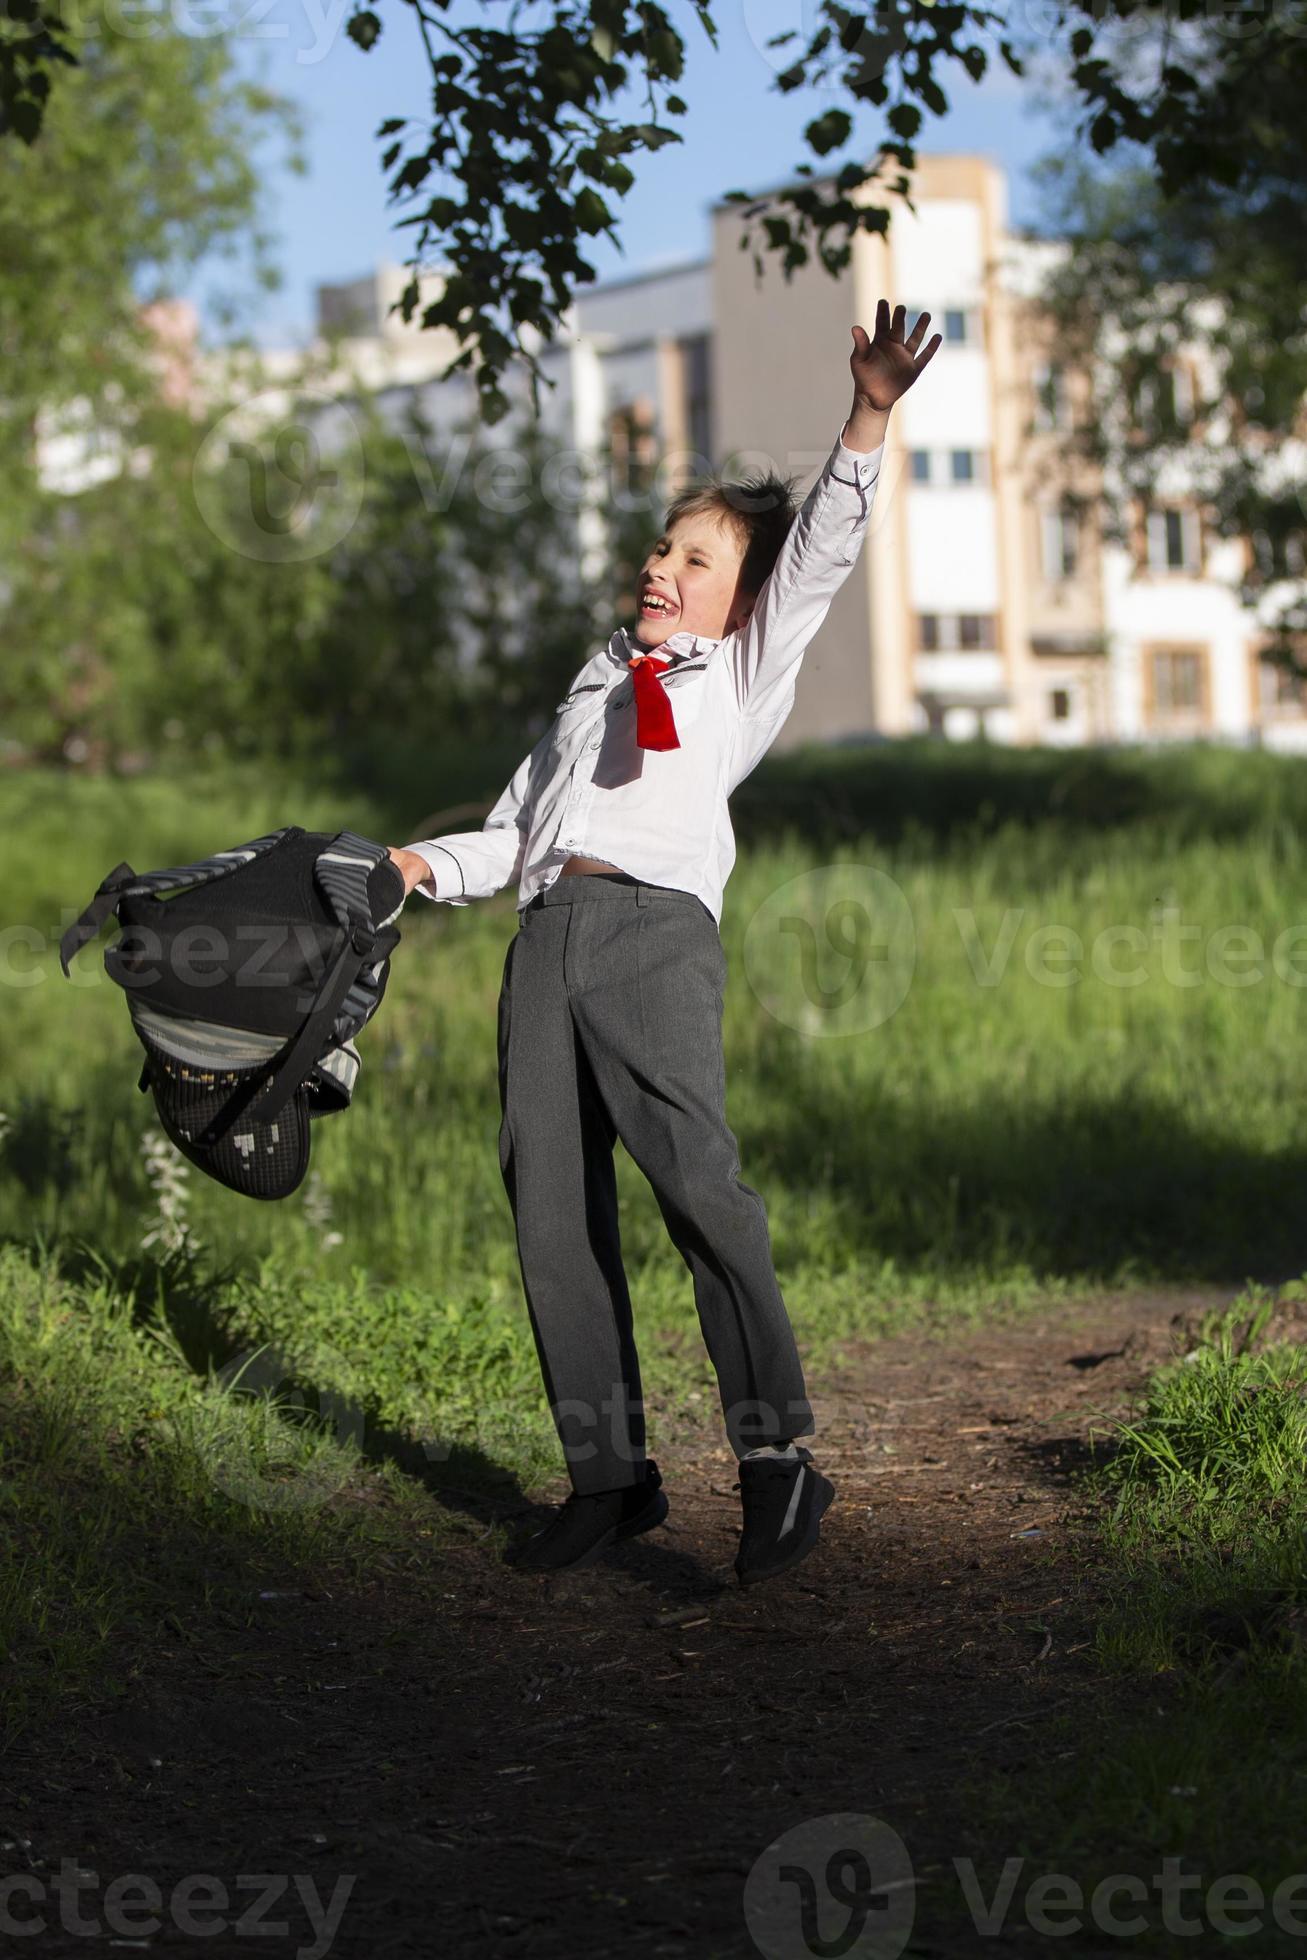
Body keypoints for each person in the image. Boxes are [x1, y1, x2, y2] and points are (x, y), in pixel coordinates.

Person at [388, 300, 941, 1585]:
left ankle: (775, 1462)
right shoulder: (591, 688)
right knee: (549, 1212)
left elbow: (820, 556)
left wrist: (865, 413)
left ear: (737, 597)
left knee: (698, 1188)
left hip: (651, 938)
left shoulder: (740, 671)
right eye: (660, 549)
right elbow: (515, 835)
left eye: (696, 561)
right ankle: (609, 1478)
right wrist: (417, 865)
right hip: (546, 940)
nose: (662, 570)